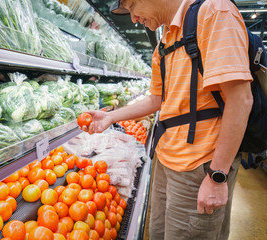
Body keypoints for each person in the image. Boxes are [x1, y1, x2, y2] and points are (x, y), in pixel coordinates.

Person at [80, 0, 253, 239]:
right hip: (165, 159)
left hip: (199, 166)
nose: (133, 19)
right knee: (159, 233)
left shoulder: (214, 12)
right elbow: (156, 100)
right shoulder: (165, 40)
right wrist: (110, 116)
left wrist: (217, 176)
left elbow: (240, 100)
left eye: (131, 7)